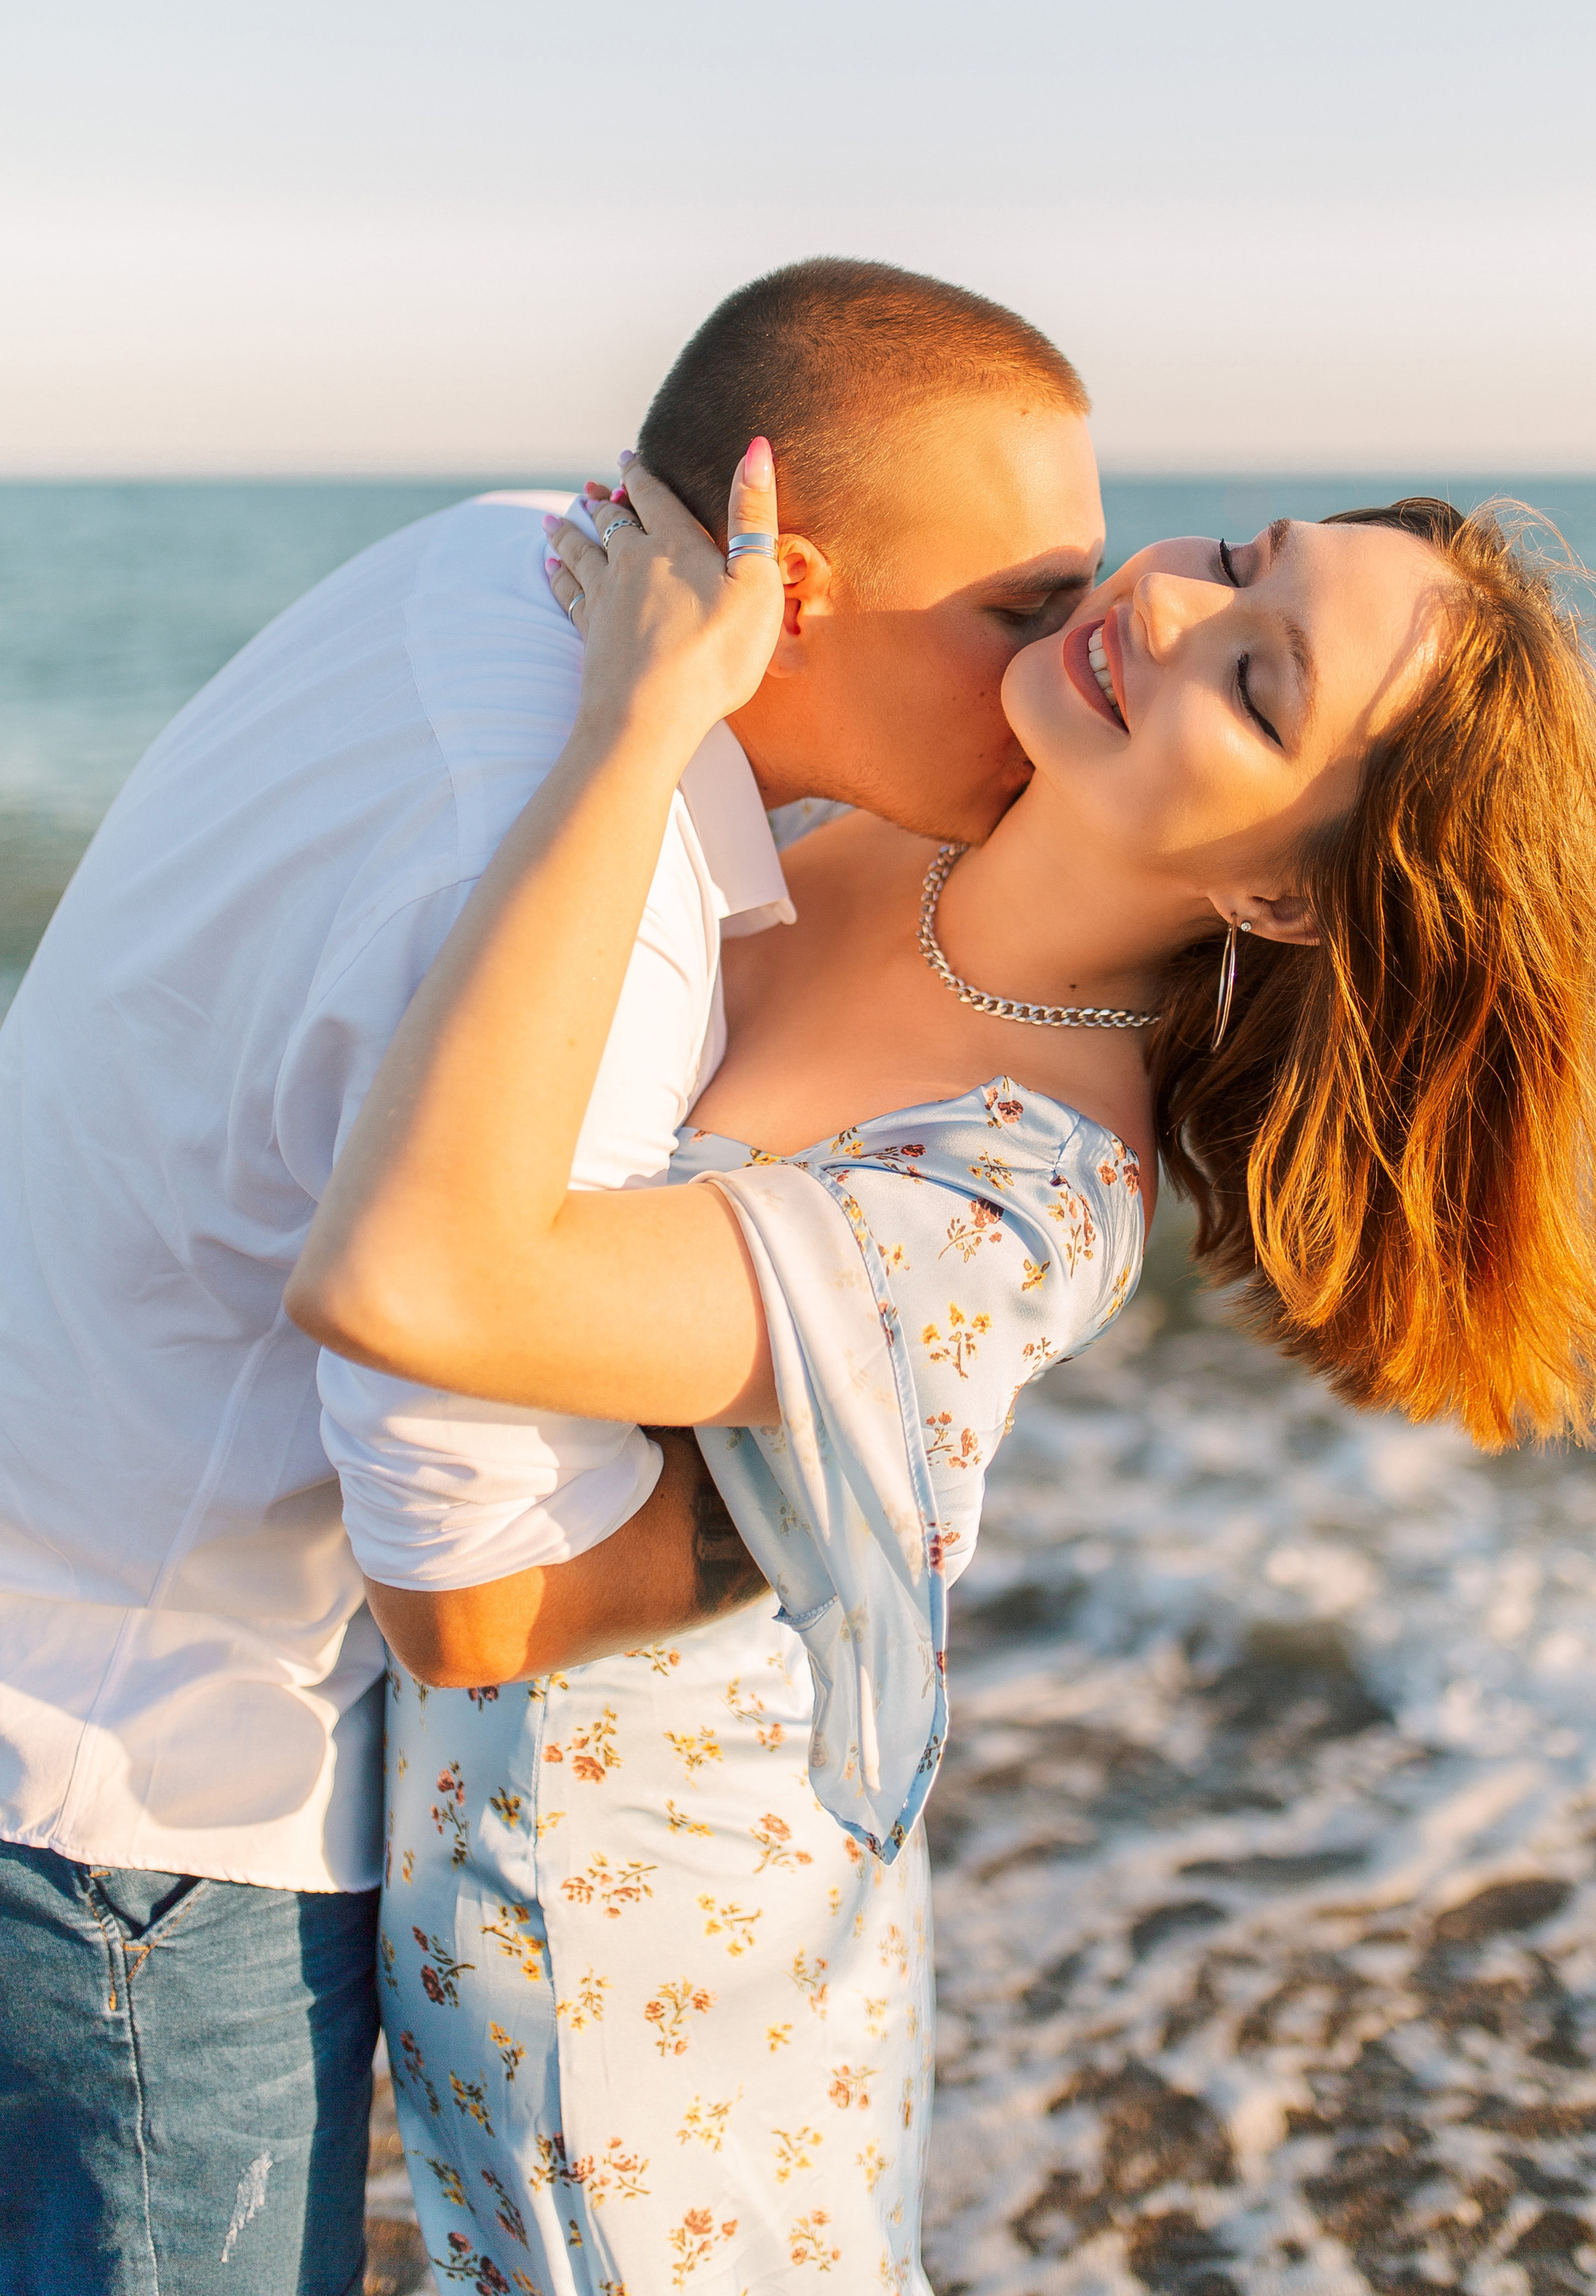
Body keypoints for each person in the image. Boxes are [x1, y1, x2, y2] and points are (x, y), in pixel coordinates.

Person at [293, 439, 1596, 2292]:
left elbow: (424, 1278)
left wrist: (634, 728)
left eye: (1252, 683)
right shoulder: (862, 811)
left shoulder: (1009, 1197)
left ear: (1278, 897)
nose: (1161, 605)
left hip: (652, 2012)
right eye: (1241, 557)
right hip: (434, 1857)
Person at [0, 259, 1105, 2295]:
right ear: (787, 577)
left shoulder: (502, 557)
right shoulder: (576, 913)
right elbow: (472, 1601)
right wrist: (811, 1521)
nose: (1060, 674)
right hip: (148, 1795)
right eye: (1021, 615)